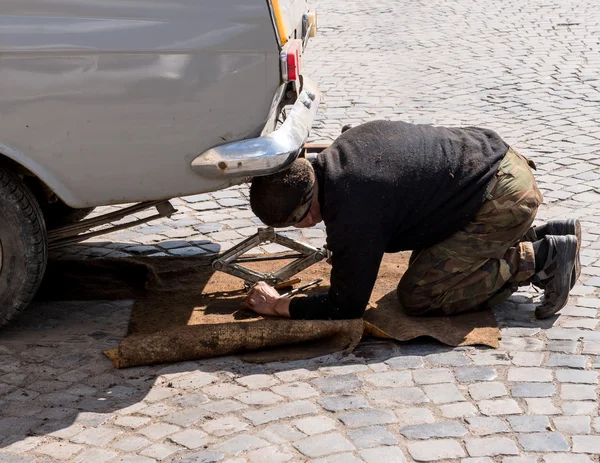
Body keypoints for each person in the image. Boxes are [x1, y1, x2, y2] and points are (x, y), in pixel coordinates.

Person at [243, 120, 581, 321]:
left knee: (421, 294)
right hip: (495, 160)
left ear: (304, 215)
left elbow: (347, 306)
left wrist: (279, 306)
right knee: (426, 260)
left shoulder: (352, 210)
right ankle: (544, 233)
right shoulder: (341, 150)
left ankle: (541, 258)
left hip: (503, 198)